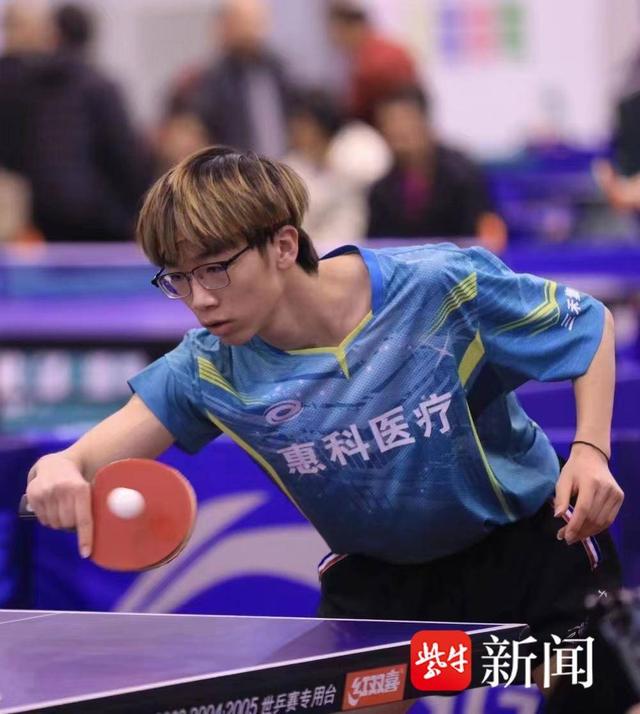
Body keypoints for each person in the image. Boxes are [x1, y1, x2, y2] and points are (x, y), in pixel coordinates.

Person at [26, 146, 624, 708]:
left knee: (604, 692)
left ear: (284, 245)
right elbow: (81, 459)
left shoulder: (437, 285)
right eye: (176, 278)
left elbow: (586, 323)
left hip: (527, 552)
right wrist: (58, 471)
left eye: (214, 269)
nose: (199, 299)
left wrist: (590, 451)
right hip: (384, 587)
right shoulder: (208, 368)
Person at [368, 85, 507, 252]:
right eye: (388, 123)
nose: (396, 130)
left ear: (424, 121)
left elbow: (481, 237)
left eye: (404, 121)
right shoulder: (380, 191)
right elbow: (377, 247)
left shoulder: (463, 176)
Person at [169, 0, 291, 157]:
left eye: (255, 22)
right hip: (233, 166)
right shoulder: (208, 81)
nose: (251, 31)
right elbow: (192, 130)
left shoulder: (278, 71)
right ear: (224, 26)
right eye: (243, 22)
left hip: (281, 163)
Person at [327, 0, 419, 124]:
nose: (335, 40)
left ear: (352, 28)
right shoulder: (393, 48)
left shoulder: (369, 65)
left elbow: (358, 110)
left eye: (338, 32)